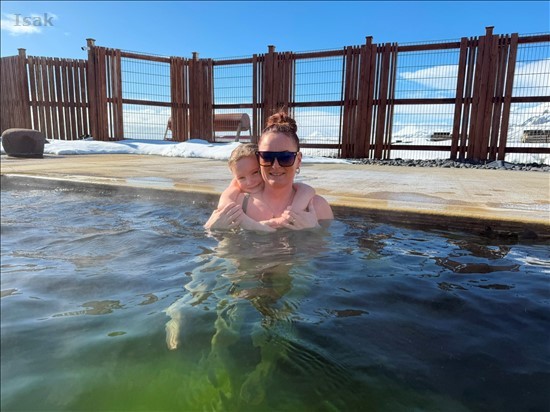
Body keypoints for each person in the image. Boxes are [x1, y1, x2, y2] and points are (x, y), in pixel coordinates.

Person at [244, 111, 334, 230]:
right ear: (258, 158)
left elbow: (332, 240)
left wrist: (315, 229)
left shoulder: (317, 207)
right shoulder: (241, 204)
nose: (275, 165)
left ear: (298, 160)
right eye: (267, 157)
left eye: (285, 157)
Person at [204, 142, 316, 232]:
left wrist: (292, 213)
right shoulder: (238, 193)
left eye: (255, 172)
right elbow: (224, 204)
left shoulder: (296, 191)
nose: (249, 182)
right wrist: (250, 224)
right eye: (241, 178)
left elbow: (307, 190)